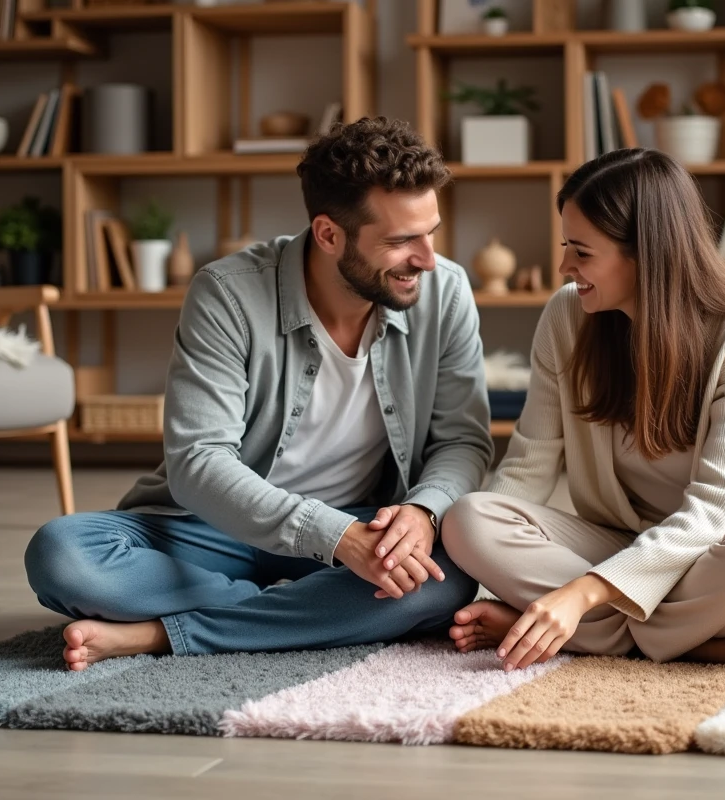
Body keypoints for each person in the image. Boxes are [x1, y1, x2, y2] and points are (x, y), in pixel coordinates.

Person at [25, 117, 493, 670]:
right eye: (399, 241)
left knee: (452, 573)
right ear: (328, 234)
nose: (427, 258)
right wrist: (335, 538)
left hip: (366, 523)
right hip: (217, 530)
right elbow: (198, 462)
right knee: (63, 556)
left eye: (430, 231)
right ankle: (307, 613)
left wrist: (421, 511)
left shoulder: (447, 291)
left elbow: (463, 439)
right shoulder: (227, 294)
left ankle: (161, 633)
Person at [437, 148, 725, 675]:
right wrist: (474, 561)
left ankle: (586, 630)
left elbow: (722, 508)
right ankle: (707, 642)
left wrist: (579, 595)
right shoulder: (567, 316)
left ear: (646, 252)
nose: (565, 268)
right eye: (565, 247)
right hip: (633, 545)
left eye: (582, 252)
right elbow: (527, 470)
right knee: (469, 519)